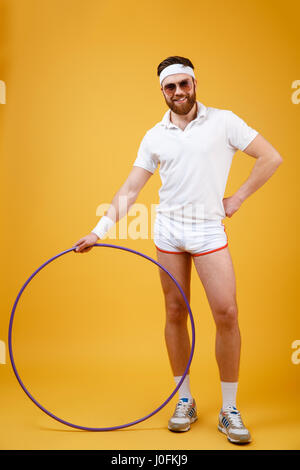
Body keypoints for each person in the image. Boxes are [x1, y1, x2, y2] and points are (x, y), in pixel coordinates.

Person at [73, 56, 283, 444]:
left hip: (207, 231)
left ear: (195, 83)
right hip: (169, 231)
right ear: (162, 92)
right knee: (174, 310)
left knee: (227, 312)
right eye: (170, 87)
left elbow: (271, 157)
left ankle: (228, 409)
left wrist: (236, 198)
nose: (178, 92)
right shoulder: (155, 136)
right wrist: (98, 232)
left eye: (184, 84)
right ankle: (183, 399)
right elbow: (130, 190)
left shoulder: (224, 122)